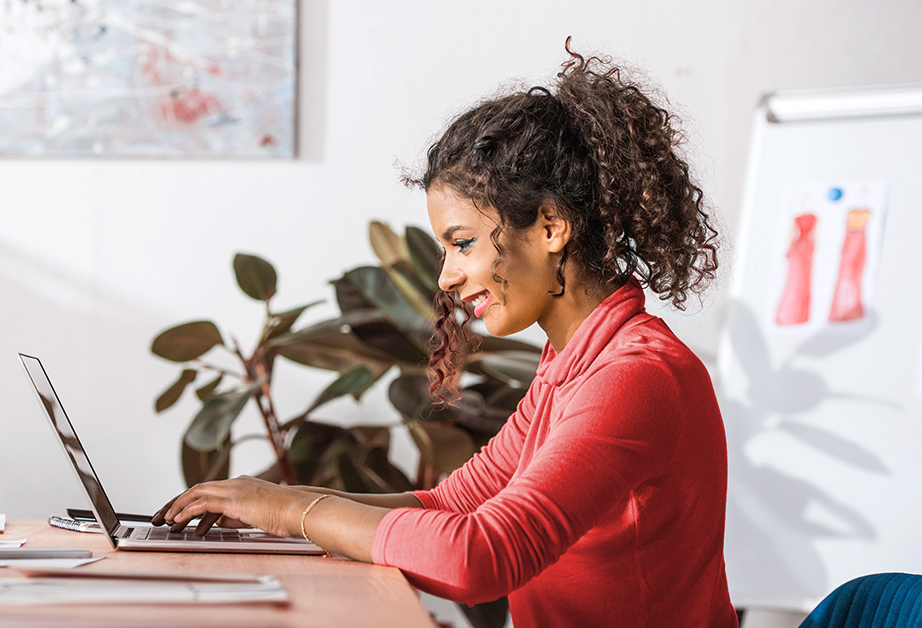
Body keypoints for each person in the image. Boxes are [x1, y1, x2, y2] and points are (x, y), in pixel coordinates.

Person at [153, 41, 737, 627]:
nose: (448, 276)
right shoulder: (575, 365)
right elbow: (450, 503)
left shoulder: (635, 377)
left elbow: (480, 558)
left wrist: (289, 512)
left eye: (462, 243)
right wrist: (271, 505)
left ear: (551, 227)